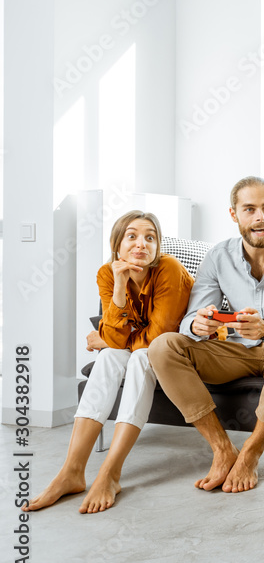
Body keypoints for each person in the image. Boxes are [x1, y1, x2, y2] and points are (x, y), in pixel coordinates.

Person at [148, 176, 264, 493]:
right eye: (250, 209)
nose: (260, 217)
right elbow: (193, 316)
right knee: (163, 346)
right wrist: (196, 324)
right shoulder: (218, 256)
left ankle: (252, 450)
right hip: (232, 350)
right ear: (234, 215)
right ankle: (222, 448)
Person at [24, 211, 194, 513]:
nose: (141, 243)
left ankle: (110, 472)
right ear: (117, 243)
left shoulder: (169, 269)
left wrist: (107, 339)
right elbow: (116, 341)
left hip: (181, 348)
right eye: (132, 236)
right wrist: (118, 286)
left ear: (158, 246)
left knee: (140, 356)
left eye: (150, 237)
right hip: (144, 343)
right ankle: (72, 471)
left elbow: (158, 338)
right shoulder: (107, 273)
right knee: (109, 357)